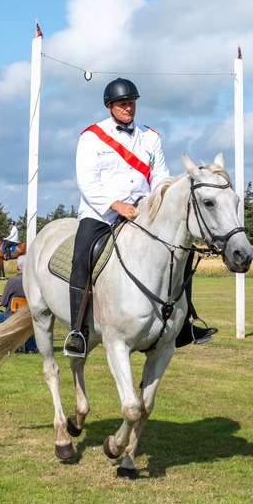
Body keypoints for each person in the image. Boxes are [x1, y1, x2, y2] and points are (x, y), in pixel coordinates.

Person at [66, 77, 215, 358]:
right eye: (123, 104)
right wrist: (115, 204)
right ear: (110, 106)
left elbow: (160, 177)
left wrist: (152, 205)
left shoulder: (150, 137)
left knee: (181, 254)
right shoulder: (91, 137)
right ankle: (78, 331)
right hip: (101, 213)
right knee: (81, 257)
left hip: (143, 213)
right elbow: (87, 181)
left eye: (132, 103)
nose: (128, 109)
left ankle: (185, 324)